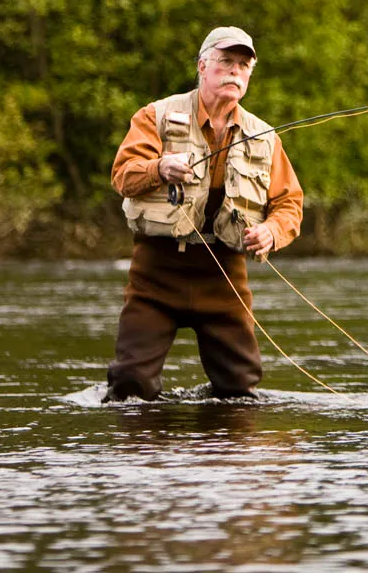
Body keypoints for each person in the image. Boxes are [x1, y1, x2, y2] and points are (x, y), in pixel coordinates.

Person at [103, 26, 305, 400]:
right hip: (155, 274)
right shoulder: (155, 116)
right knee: (130, 386)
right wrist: (159, 168)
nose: (234, 71)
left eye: (243, 65)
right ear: (202, 66)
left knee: (240, 392)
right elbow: (122, 175)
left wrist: (272, 232)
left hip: (225, 276)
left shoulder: (264, 136)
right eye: (225, 61)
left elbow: (289, 202)